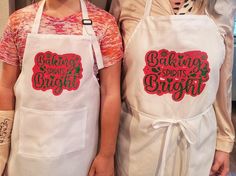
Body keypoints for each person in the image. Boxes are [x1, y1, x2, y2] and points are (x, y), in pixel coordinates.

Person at [110, 0, 236, 175]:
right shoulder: (128, 3)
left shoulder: (221, 7)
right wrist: (105, 150)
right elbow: (110, 81)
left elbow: (223, 83)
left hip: (196, 143)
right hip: (137, 142)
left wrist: (224, 142)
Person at [0, 0, 123, 175]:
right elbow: (5, 87)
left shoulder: (104, 24)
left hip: (80, 155)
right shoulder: (18, 22)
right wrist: (1, 150)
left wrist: (106, 155)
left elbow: (110, 93)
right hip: (26, 153)